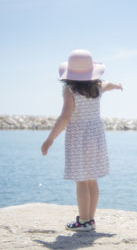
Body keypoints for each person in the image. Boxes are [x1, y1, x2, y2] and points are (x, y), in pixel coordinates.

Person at [41, 49, 122, 231]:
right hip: (96, 136)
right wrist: (117, 85)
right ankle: (90, 220)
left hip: (79, 138)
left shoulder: (70, 90)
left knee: (81, 180)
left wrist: (50, 138)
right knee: (92, 179)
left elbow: (65, 116)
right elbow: (107, 84)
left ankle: (84, 221)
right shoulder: (97, 87)